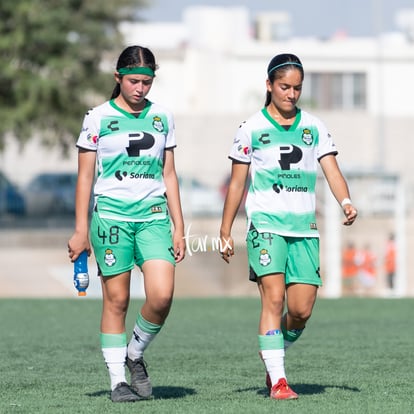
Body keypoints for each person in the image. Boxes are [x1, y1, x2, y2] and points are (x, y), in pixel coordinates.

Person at [219, 53, 357, 400]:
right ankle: (278, 380)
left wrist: (346, 202)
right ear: (269, 85)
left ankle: (272, 351)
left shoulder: (314, 127)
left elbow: (332, 171)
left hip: (304, 230)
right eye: (284, 87)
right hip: (265, 226)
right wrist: (225, 230)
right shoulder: (250, 128)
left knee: (300, 311)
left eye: (297, 88)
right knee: (274, 299)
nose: (291, 94)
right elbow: (237, 184)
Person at [68, 45, 185, 403]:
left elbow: (169, 173)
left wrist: (179, 226)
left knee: (162, 295)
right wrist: (80, 229)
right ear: (118, 78)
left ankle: (135, 351)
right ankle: (118, 381)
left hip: (153, 217)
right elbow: (85, 178)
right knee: (116, 301)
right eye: (134, 81)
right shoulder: (98, 117)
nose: (140, 89)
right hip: (111, 220)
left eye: (147, 82)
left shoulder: (163, 117)